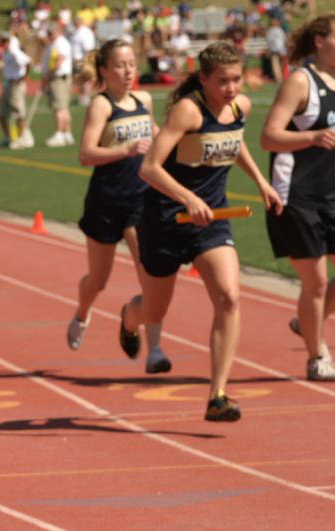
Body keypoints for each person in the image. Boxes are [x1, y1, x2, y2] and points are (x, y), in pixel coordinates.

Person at [119, 41, 282, 421]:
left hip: (211, 221)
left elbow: (234, 142)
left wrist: (261, 182)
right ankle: (128, 319)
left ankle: (218, 395)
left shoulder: (240, 107)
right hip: (166, 220)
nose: (231, 89)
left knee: (228, 296)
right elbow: (149, 168)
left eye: (237, 79)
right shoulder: (187, 111)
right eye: (222, 81)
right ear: (204, 78)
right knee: (154, 308)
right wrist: (187, 198)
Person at [67, 39, 170, 374]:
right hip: (107, 200)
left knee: (150, 277)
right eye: (121, 66)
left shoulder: (143, 99)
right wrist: (124, 150)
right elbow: (86, 154)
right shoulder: (101, 105)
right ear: (105, 71)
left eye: (132, 64)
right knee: (98, 280)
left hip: (141, 201)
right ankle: (83, 312)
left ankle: (155, 350)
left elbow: (156, 137)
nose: (128, 72)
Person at [261, 15, 335, 381]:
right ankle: (316, 354)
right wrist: (312, 136)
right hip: (297, 195)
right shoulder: (299, 82)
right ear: (321, 41)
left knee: (319, 289)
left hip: (333, 193)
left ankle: (308, 319)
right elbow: (269, 136)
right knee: (317, 281)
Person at [0, 32, 33, 150]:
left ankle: (23, 137)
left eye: (6, 41)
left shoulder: (15, 52)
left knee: (18, 112)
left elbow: (28, 62)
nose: (4, 44)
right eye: (3, 41)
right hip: (7, 83)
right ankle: (8, 137)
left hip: (16, 84)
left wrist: (22, 78)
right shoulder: (5, 53)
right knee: (1, 113)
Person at [41, 24, 74, 147]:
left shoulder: (61, 43)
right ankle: (67, 134)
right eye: (49, 33)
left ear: (58, 31)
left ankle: (60, 134)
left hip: (59, 78)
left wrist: (48, 76)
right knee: (63, 107)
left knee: (59, 108)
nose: (50, 35)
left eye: (52, 32)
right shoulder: (54, 43)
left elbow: (59, 60)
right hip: (59, 77)